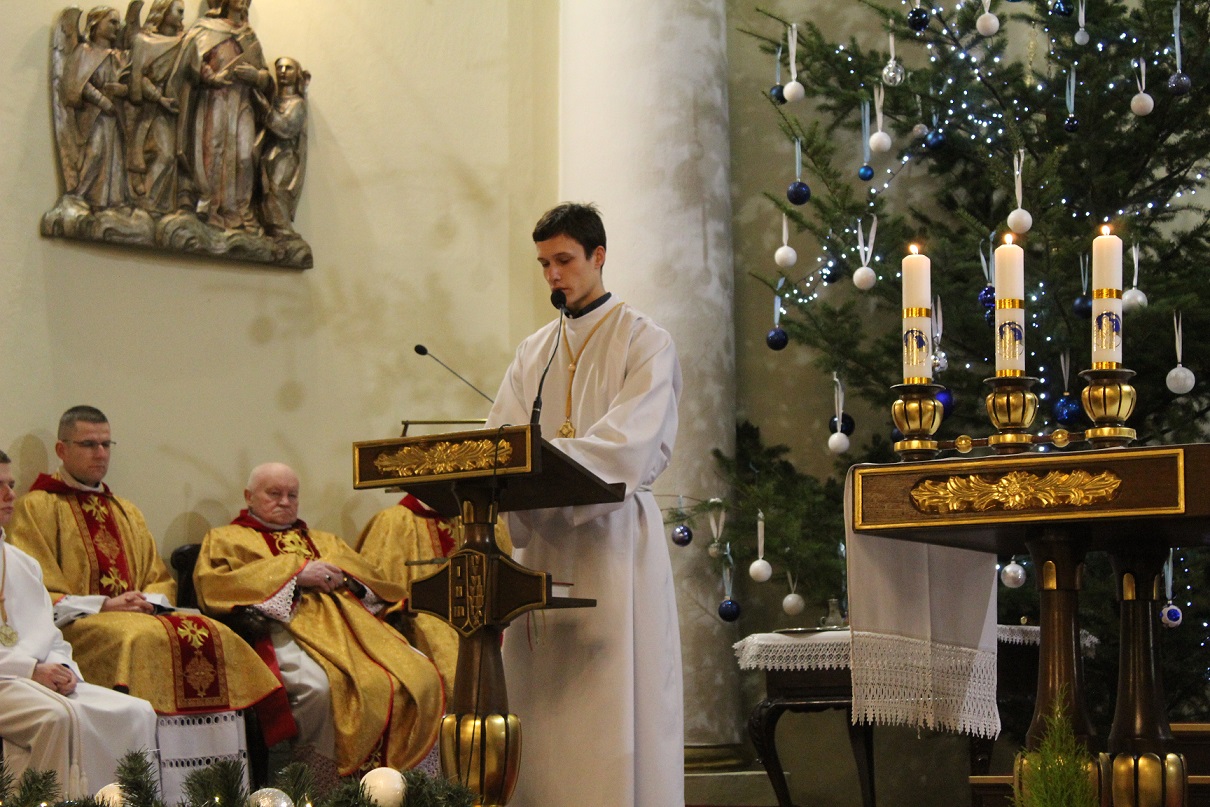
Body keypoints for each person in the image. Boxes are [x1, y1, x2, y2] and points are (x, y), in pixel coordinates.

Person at [485, 202, 684, 807]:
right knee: (544, 702)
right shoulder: (534, 350)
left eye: (564, 260)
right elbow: (500, 443)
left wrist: (548, 461)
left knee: (611, 696)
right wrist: (523, 467)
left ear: (598, 256)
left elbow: (632, 442)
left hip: (613, 538)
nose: (553, 275)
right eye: (544, 263)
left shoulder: (644, 339)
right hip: (545, 545)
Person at [6, 407, 288, 733]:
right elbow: (36, 593)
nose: (100, 454)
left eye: (106, 444)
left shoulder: (126, 510)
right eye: (88, 445)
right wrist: (105, 604)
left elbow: (159, 577)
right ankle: (143, 760)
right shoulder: (35, 508)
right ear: (61, 450)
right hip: (78, 625)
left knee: (211, 630)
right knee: (136, 638)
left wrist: (147, 601)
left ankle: (220, 761)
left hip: (140, 617)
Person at [193, 463, 444, 778]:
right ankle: (318, 784)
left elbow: (377, 583)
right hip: (287, 631)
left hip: (355, 633)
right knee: (320, 689)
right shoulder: (226, 539)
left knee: (421, 674)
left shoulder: (324, 540)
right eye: (274, 493)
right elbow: (214, 586)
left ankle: (409, 783)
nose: (285, 502)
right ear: (249, 496)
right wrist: (295, 574)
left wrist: (348, 580)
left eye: (292, 495)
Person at [0, 448, 158, 797]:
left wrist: (63, 667)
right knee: (54, 719)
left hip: (33, 677)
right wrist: (30, 670)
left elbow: (50, 634)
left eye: (10, 484)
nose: (11, 495)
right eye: (0, 486)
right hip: (9, 679)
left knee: (137, 712)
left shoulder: (22, 564)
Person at [354, 493, 512, 691]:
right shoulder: (393, 524)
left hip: (486, 626)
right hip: (420, 626)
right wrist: (399, 608)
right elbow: (372, 597)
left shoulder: (489, 524)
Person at [167, 0, 270, 229]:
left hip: (242, 102)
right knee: (212, 151)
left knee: (244, 155)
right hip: (214, 100)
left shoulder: (248, 34)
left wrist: (256, 76)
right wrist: (208, 75)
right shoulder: (205, 28)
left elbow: (265, 77)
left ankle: (239, 211)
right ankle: (210, 208)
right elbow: (188, 61)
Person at [62, 6, 130, 208]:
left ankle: (112, 201)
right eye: (112, 21)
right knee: (96, 151)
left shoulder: (120, 56)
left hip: (114, 115)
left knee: (115, 156)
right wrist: (101, 100)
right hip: (93, 115)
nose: (117, 27)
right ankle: (82, 194)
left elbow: (130, 84)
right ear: (95, 23)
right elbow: (78, 84)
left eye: (118, 23)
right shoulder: (85, 52)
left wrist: (121, 89)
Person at [127, 0, 186, 212]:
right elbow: (136, 79)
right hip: (153, 108)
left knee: (174, 158)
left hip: (179, 109)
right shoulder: (144, 41)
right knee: (163, 154)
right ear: (163, 10)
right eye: (179, 11)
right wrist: (160, 99)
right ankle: (147, 202)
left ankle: (162, 206)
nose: (182, 16)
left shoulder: (185, 42)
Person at [254, 56, 309, 237]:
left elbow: (286, 129)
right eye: (280, 68)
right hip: (269, 152)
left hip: (286, 154)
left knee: (278, 190)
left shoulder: (297, 104)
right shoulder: (275, 99)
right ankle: (272, 228)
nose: (283, 72)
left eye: (288, 68)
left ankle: (282, 230)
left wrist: (266, 109)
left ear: (297, 74)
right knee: (266, 189)